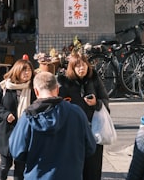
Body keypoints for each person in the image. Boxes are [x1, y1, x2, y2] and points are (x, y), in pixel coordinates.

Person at [8, 70, 96, 180]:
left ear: (36, 91)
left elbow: (17, 152)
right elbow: (90, 147)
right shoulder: (77, 113)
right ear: (57, 89)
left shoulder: (28, 117)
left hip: (37, 176)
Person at [57, 49, 110, 180]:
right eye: (78, 66)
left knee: (93, 169)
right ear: (72, 67)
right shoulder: (64, 81)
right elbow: (58, 104)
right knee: (75, 169)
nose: (81, 68)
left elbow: (105, 101)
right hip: (73, 132)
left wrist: (96, 103)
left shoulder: (94, 78)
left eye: (84, 65)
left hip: (94, 129)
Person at [0, 59, 36, 180]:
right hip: (6, 131)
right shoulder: (5, 86)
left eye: (29, 70)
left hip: (25, 131)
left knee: (20, 166)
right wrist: (6, 115)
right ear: (16, 71)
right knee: (5, 164)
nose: (27, 73)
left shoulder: (33, 88)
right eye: (23, 70)